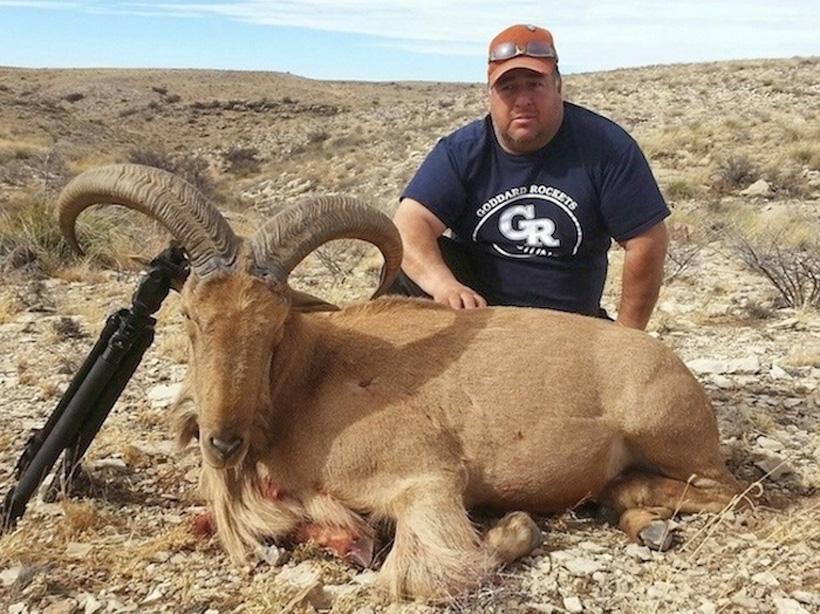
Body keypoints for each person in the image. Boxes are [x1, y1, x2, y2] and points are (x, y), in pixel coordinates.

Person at [389, 24, 670, 330]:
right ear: (490, 95)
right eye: (508, 88)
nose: (522, 100)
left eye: (535, 85)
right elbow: (408, 223)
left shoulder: (606, 147)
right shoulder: (462, 151)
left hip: (567, 320)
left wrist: (626, 335)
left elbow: (646, 239)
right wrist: (443, 285)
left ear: (558, 86)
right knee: (405, 268)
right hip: (479, 313)